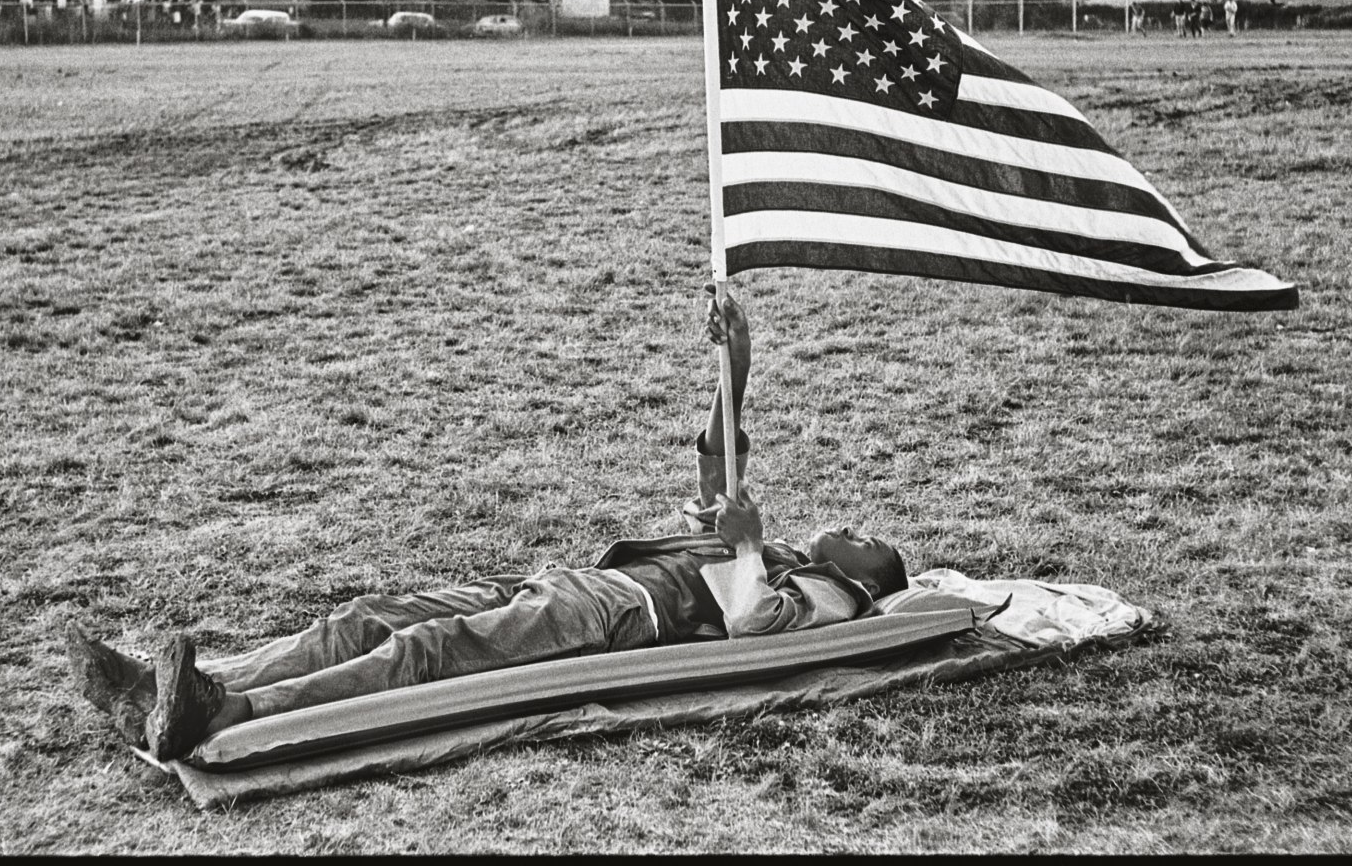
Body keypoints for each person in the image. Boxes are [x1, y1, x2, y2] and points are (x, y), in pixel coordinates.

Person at [67, 288, 911, 762]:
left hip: (613, 617)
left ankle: (223, 713)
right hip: (571, 583)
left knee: (421, 655)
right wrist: (737, 362)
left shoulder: (831, 597)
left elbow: (756, 629)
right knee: (365, 618)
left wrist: (747, 546)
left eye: (869, 541)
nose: (855, 529)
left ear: (870, 579)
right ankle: (171, 683)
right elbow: (717, 461)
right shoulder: (788, 551)